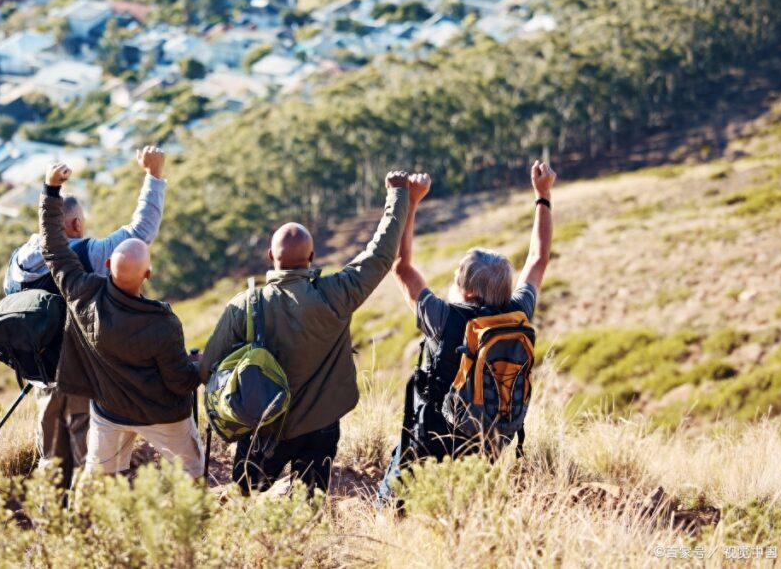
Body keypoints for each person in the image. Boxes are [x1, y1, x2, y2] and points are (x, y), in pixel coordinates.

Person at [200, 171, 412, 496]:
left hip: (263, 427)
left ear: (271, 257)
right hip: (321, 426)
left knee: (245, 499)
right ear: (311, 258)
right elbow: (381, 254)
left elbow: (208, 368)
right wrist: (398, 194)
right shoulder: (337, 293)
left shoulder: (244, 305)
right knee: (310, 504)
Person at [377, 161, 557, 503]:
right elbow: (538, 258)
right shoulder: (518, 312)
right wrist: (543, 195)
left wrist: (411, 201)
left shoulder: (443, 317)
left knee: (391, 498)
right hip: (489, 447)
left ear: (466, 288)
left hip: (433, 444)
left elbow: (400, 267)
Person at [1, 147, 167, 488]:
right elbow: (141, 233)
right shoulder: (82, 253)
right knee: (85, 454)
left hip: (40, 375)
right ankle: (88, 526)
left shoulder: (17, 263)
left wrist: (50, 191)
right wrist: (154, 175)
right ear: (76, 224)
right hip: (78, 374)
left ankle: (53, 525)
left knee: (50, 458)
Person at [39, 162, 204, 490]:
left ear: (108, 265)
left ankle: (94, 524)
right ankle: (190, 521)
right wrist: (200, 367)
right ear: (148, 275)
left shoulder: (82, 295)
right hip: (163, 416)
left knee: (99, 481)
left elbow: (54, 248)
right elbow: (179, 381)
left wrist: (50, 191)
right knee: (191, 473)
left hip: (109, 412)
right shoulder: (163, 321)